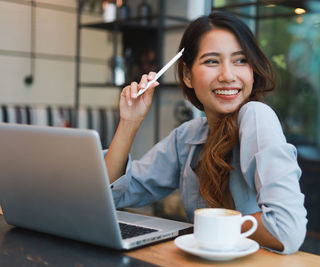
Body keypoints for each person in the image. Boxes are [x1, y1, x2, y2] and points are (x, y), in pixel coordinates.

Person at [105, 11, 307, 254]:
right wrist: (129, 122)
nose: (228, 76)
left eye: (240, 60)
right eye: (212, 61)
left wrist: (210, 227)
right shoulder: (188, 137)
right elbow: (110, 196)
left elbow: (286, 230)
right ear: (188, 75)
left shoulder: (256, 116)